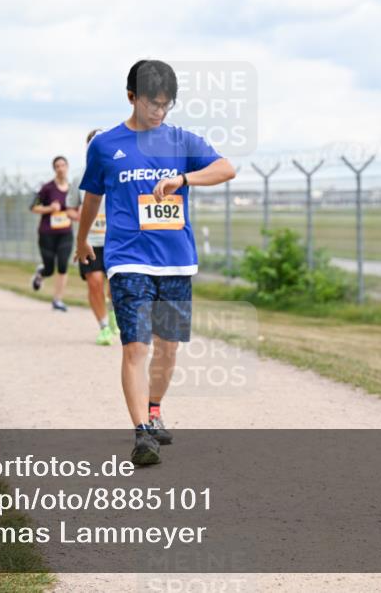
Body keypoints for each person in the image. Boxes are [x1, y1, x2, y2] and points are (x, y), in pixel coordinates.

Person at [76, 59, 236, 465]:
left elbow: (226, 168)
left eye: (167, 104)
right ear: (132, 97)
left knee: (168, 349)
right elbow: (92, 197)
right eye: (152, 104)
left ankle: (154, 409)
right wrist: (81, 241)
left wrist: (184, 179)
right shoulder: (105, 145)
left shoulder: (182, 142)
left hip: (176, 262)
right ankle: (142, 433)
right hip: (127, 258)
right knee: (136, 346)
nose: (160, 112)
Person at [68, 129, 121, 345]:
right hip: (91, 241)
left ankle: (112, 311)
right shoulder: (79, 177)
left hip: (116, 240)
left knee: (115, 286)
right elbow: (70, 209)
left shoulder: (118, 172)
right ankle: (104, 327)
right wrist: (79, 216)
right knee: (95, 282)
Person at [31, 156, 75, 311]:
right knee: (49, 268)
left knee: (63, 265)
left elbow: (77, 210)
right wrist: (49, 208)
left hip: (65, 233)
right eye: (57, 166)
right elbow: (34, 207)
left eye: (63, 165)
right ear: (54, 169)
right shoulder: (47, 188)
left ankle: (57, 300)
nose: (61, 168)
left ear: (67, 167)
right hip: (47, 233)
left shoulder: (72, 188)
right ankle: (40, 274)